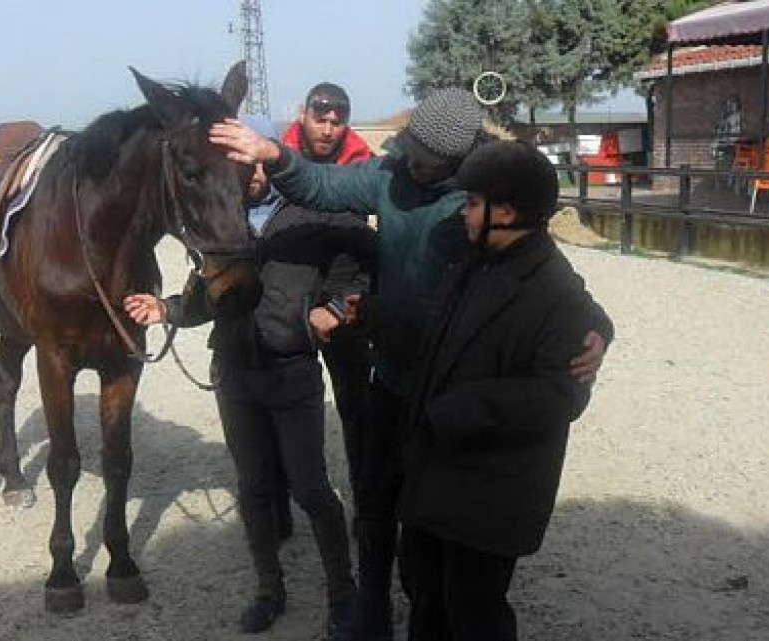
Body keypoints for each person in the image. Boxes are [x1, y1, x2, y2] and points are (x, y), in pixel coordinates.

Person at [208, 87, 613, 640]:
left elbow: (551, 278)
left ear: (456, 163)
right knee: (376, 498)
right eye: (407, 148)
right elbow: (325, 185)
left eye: (419, 154)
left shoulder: (480, 206)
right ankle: (371, 607)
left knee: (437, 522)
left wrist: (598, 332)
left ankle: (432, 607)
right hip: (395, 378)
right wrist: (274, 154)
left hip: (451, 389)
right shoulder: (394, 178)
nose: (406, 159)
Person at [123, 116, 375, 639]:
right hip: (236, 374)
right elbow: (204, 296)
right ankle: (268, 589)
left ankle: (343, 595)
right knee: (254, 488)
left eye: (251, 162)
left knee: (311, 489)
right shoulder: (224, 218)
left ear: (265, 156)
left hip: (291, 369)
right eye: (235, 165)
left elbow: (353, 267)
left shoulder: (309, 209)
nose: (247, 174)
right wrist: (167, 309)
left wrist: (333, 306)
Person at [398, 140, 603, 639]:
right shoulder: (476, 260)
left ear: (506, 211)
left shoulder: (554, 289)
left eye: (472, 203)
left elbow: (562, 395)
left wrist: (462, 409)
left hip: (490, 491)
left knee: (474, 611)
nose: (464, 214)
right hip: (437, 473)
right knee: (425, 595)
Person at [275, 83, 376, 526]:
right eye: (321, 118)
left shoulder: (363, 165)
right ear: (304, 114)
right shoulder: (276, 158)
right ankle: (278, 502)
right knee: (281, 400)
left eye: (338, 121)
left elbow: (379, 246)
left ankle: (364, 499)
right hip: (289, 294)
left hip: (343, 295)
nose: (329, 129)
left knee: (355, 404)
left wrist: (342, 305)